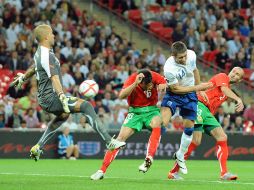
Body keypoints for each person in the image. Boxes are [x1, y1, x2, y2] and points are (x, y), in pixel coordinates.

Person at [10, 24, 125, 161]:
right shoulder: (47, 55)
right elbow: (55, 78)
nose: (54, 35)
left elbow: (35, 67)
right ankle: (109, 141)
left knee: (63, 116)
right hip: (51, 97)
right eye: (52, 33)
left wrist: (24, 76)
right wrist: (62, 96)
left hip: (45, 98)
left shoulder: (40, 53)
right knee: (86, 106)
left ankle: (38, 147)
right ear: (46, 37)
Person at [168, 67, 244, 180]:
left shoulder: (227, 89)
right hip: (198, 105)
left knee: (222, 137)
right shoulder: (223, 76)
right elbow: (223, 89)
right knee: (196, 140)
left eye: (237, 74)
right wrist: (238, 99)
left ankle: (224, 173)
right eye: (233, 71)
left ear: (239, 80)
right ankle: (173, 171)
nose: (234, 74)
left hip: (207, 113)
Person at [90, 69, 167, 180]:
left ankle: (149, 158)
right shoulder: (132, 79)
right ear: (140, 83)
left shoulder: (153, 75)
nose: (150, 86)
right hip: (135, 112)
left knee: (157, 124)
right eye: (147, 85)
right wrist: (135, 84)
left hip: (151, 110)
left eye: (151, 84)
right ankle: (101, 171)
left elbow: (165, 82)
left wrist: (163, 85)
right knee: (119, 140)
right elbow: (121, 96)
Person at [160, 41, 213, 174]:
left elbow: (195, 71)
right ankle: (149, 155)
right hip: (174, 94)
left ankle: (180, 155)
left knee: (189, 127)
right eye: (180, 58)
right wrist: (198, 88)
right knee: (162, 123)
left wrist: (199, 90)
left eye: (184, 56)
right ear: (173, 55)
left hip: (190, 95)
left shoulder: (192, 55)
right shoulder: (169, 68)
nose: (183, 59)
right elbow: (176, 89)